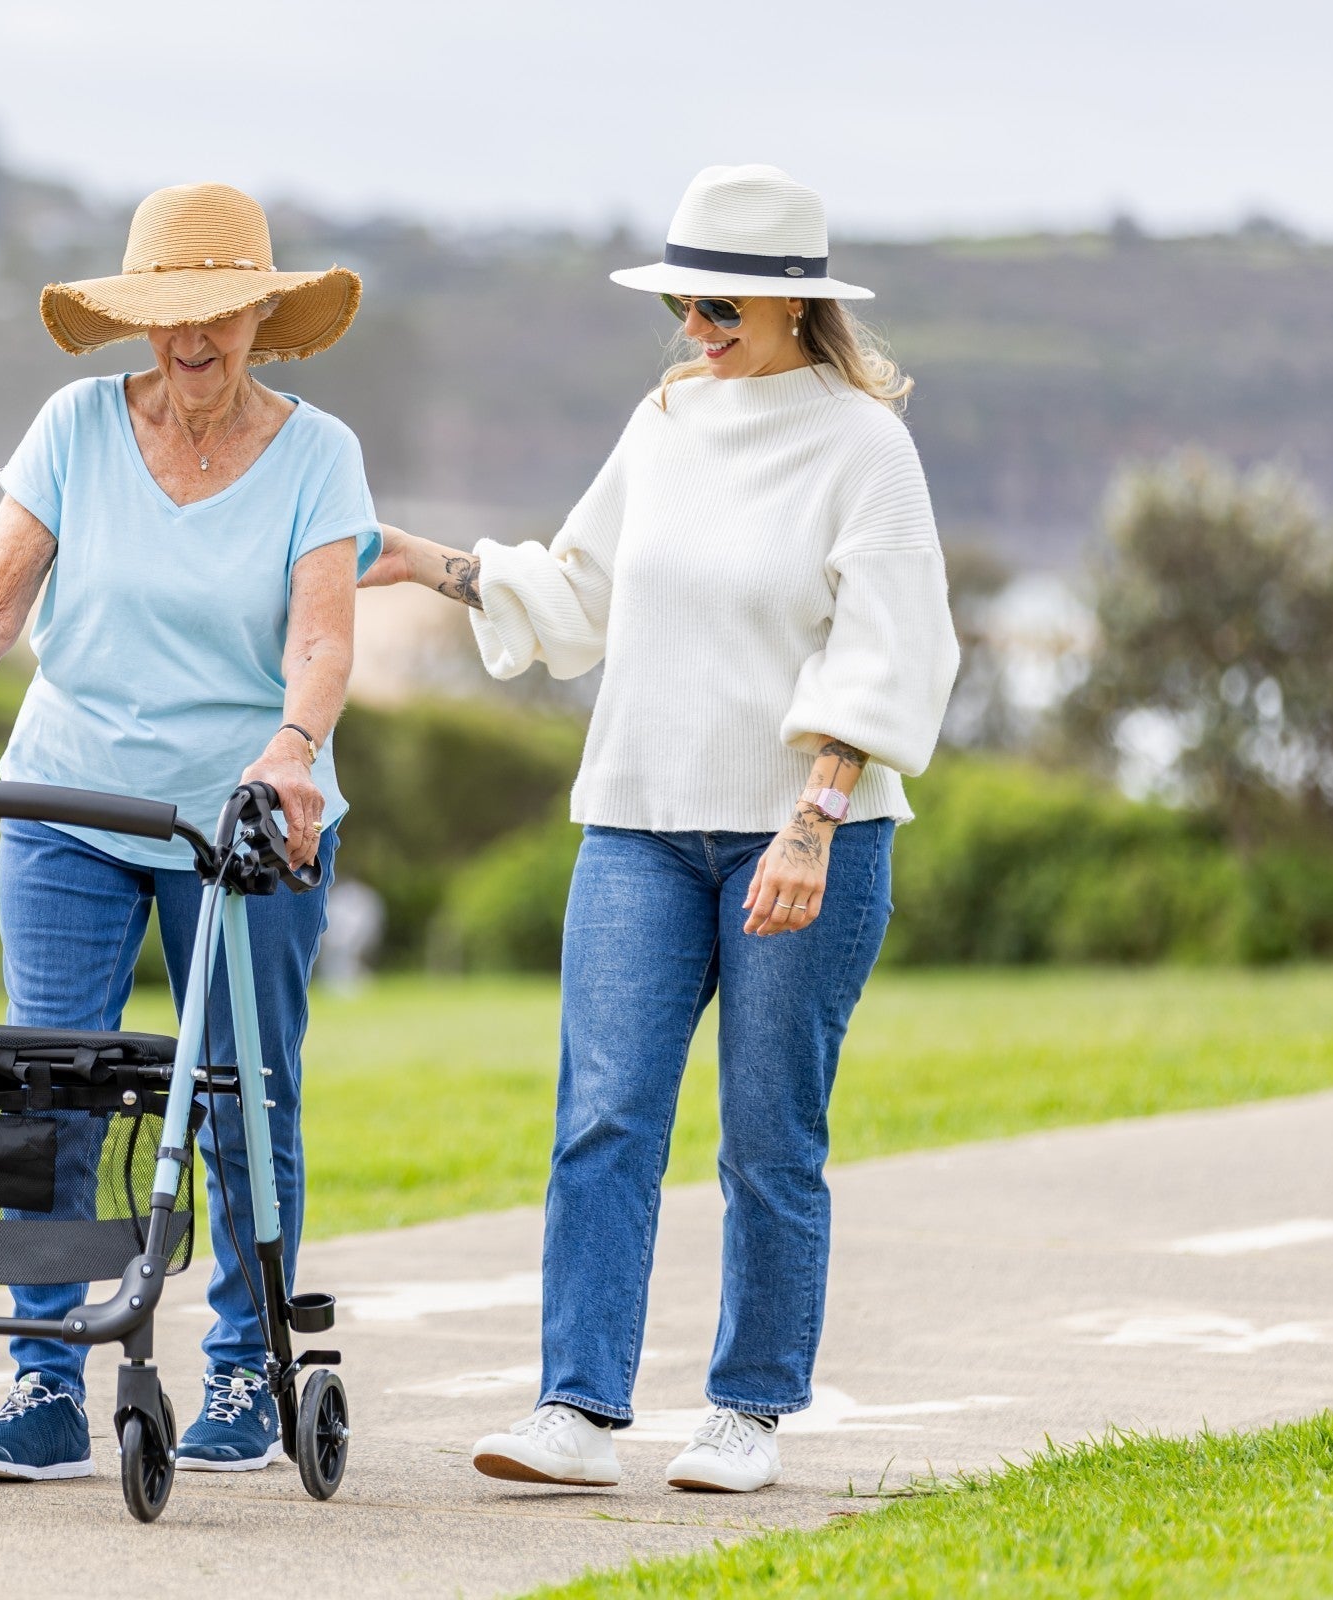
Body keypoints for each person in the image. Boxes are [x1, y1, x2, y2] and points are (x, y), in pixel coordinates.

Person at [363, 165, 958, 1493]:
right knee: (605, 1115)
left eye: (718, 300)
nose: (693, 319)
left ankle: (745, 1410)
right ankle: (576, 1410)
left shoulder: (867, 449)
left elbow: (890, 647)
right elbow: (577, 598)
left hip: (802, 836)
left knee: (767, 1134)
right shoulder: (669, 420)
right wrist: (427, 560)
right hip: (638, 821)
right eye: (683, 296)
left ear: (795, 305)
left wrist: (813, 820)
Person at [0, 182, 378, 1481]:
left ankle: (247, 1372)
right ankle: (43, 1385)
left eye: (218, 319)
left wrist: (289, 752)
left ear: (259, 313)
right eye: (168, 320)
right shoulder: (77, 428)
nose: (193, 346)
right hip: (68, 810)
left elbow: (321, 637)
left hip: (243, 823)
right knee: (50, 1092)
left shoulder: (318, 455)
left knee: (246, 1096)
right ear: (140, 322)